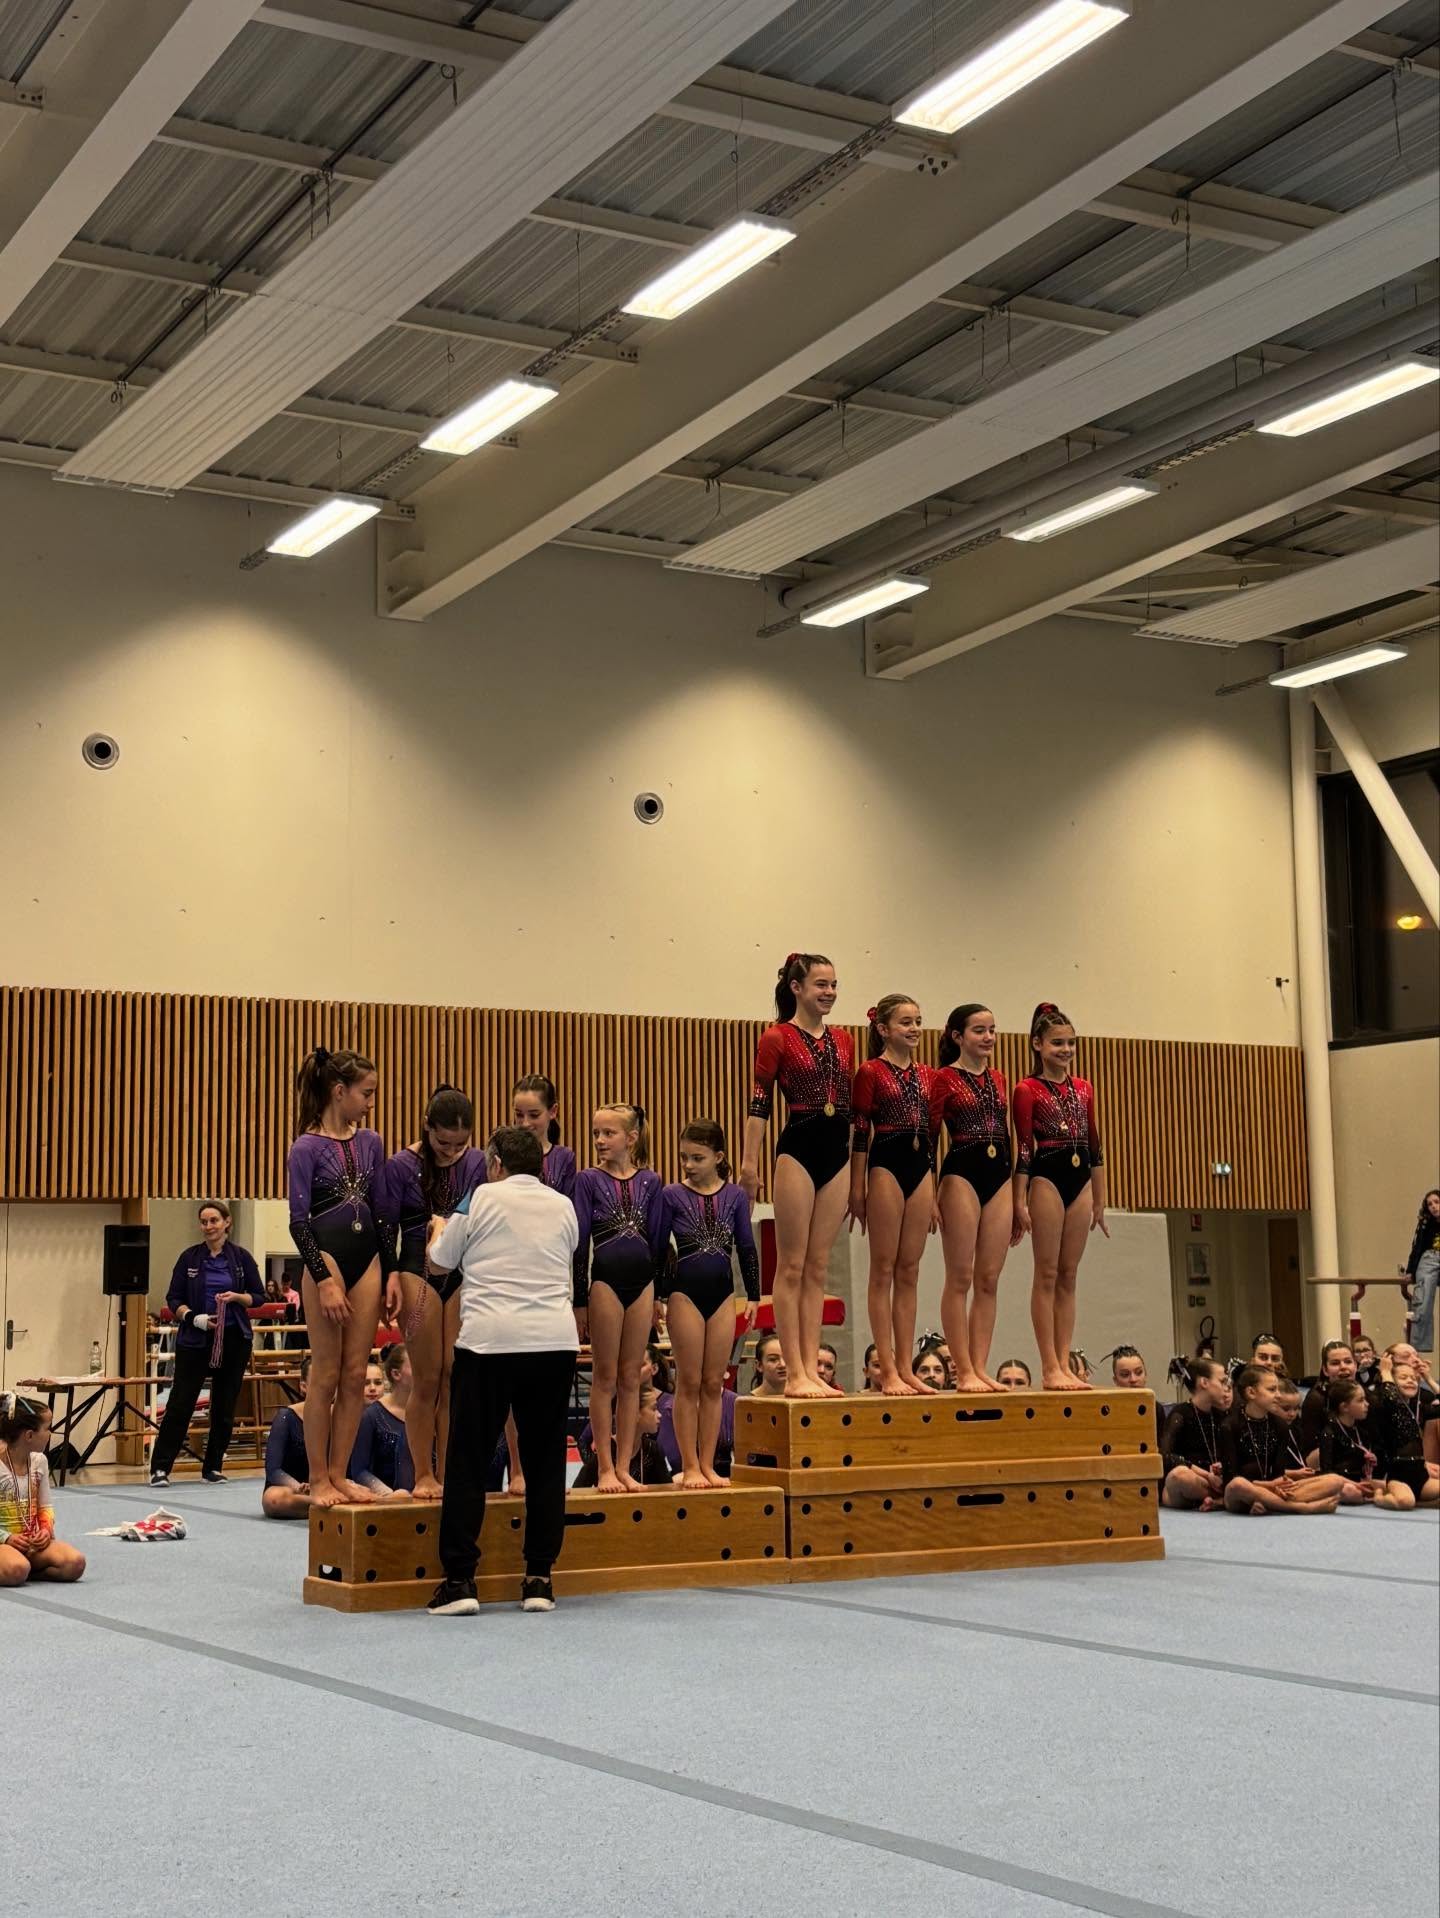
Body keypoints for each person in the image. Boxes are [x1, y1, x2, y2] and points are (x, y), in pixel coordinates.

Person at [425, 1125, 581, 1617]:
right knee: (545, 1462)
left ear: (495, 1164)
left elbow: (439, 1263)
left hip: (490, 1341)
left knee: (468, 1460)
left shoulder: (479, 1197)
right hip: (553, 1342)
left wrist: (438, 1229)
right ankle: (539, 1579)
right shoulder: (564, 1205)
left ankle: (459, 1581)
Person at [741, 953, 855, 1400]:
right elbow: (759, 1104)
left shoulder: (843, 1040)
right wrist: (749, 1166)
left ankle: (811, 1367)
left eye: (833, 985)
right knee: (791, 1264)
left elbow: (848, 1106)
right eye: (820, 984)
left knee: (818, 1265)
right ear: (796, 988)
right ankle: (794, 1371)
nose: (829, 992)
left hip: (836, 1154)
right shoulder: (777, 1037)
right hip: (798, 1151)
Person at [287, 1045, 385, 1509]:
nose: (371, 1103)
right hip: (325, 1258)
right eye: (366, 1093)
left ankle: (341, 1473)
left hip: (368, 1261)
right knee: (326, 1373)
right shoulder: (305, 1148)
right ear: (339, 1091)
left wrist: (389, 1274)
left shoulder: (372, 1143)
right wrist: (323, 1278)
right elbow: (298, 1222)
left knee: (354, 1373)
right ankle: (318, 1477)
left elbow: (382, 1212)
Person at [378, 1086, 487, 1499]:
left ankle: (450, 1472)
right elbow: (386, 1226)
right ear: (427, 1127)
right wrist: (390, 1274)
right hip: (416, 1270)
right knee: (426, 1377)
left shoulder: (478, 1163)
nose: (452, 1152)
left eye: (461, 1144)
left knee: (453, 1376)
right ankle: (423, 1473)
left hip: (461, 1271)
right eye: (444, 1143)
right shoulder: (401, 1165)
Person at [654, 1119, 759, 1490]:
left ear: (718, 1157)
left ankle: (709, 1464)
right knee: (690, 1380)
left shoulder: (735, 1196)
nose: (688, 1165)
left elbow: (746, 1247)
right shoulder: (671, 1195)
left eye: (697, 1158)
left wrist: (754, 1295)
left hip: (723, 1295)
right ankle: (689, 1465)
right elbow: (658, 1248)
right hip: (684, 1294)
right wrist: (657, 1296)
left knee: (715, 1382)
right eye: (684, 1157)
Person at [850, 995, 944, 1396]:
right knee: (883, 1269)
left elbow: (934, 1136)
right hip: (885, 1165)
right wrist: (857, 1187)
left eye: (918, 1021)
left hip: (920, 1169)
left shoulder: (929, 1076)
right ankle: (886, 1369)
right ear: (884, 1029)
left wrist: (934, 1191)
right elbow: (859, 1133)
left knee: (910, 1271)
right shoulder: (870, 1071)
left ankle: (906, 1367)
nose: (915, 1028)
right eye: (906, 1022)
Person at [1013, 1003, 1107, 1391]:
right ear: (1037, 1044)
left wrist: (1100, 1198)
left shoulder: (1084, 1088)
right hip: (1046, 1177)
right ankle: (1049, 1365)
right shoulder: (1026, 1089)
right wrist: (1019, 1201)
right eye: (1057, 1043)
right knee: (1047, 1273)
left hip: (1081, 1180)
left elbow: (1095, 1144)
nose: (1066, 1050)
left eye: (1070, 1043)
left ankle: (1065, 1361)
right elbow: (1023, 1148)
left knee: (1069, 1274)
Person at [572, 1102, 664, 1495]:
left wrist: (659, 1293)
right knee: (605, 1377)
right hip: (605, 1283)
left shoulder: (651, 1181)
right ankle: (605, 1467)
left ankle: (625, 1466)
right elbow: (580, 1245)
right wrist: (579, 1299)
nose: (599, 1140)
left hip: (643, 1285)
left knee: (631, 1377)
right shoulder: (588, 1180)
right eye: (596, 1133)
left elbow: (657, 1242)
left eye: (608, 1133)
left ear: (631, 1137)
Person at [149, 1200, 264, 1487]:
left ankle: (213, 1467)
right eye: (204, 1221)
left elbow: (259, 1297)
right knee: (181, 1403)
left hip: (233, 1338)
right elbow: (173, 1298)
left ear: (227, 1222)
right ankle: (160, 1468)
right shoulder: (189, 1258)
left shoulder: (241, 1258)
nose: (209, 1226)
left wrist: (237, 1298)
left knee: (224, 1406)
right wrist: (192, 1317)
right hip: (195, 1339)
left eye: (214, 1220)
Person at [936, 1003, 1014, 1391]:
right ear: (958, 1036)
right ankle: (963, 1369)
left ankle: (980, 1367)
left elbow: (1008, 1134)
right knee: (961, 1276)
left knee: (989, 1279)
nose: (988, 1038)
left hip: (999, 1177)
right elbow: (928, 1137)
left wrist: (1018, 1197)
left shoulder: (999, 1079)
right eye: (979, 1031)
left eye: (992, 1030)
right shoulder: (943, 1078)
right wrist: (929, 1193)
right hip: (961, 1174)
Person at [1220, 1367, 1338, 1515]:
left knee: (1334, 1480)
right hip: (1242, 1491)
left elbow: (1278, 1473)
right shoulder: (1230, 1426)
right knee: (1237, 1485)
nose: (1278, 1395)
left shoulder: (1280, 1425)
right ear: (1251, 1392)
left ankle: (1269, 1504)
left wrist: (1279, 1485)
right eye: (1272, 1390)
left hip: (1273, 1489)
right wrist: (1268, 1485)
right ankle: (1300, 1507)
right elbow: (1230, 1478)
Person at [0, 1394, 85, 1586]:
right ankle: (19, 1568)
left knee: (75, 1563)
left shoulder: (40, 1462)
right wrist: (7, 1537)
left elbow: (45, 1506)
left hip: (30, 1543)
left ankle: (27, 1571)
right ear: (29, 1435)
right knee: (16, 1569)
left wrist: (45, 1530)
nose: (50, 1433)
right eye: (48, 1428)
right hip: (3, 1543)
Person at [1318, 1382, 1413, 1508]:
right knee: (1350, 1492)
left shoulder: (1361, 1432)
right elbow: (1327, 1473)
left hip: (1361, 1482)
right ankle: (1377, 1497)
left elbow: (1367, 1467)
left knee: (1399, 1485)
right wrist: (1355, 1484)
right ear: (1344, 1407)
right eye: (1361, 1400)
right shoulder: (1329, 1432)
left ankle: (1376, 1496)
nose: (1367, 1404)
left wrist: (1371, 1461)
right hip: (1343, 1484)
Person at [1159, 1358, 1230, 1509]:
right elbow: (1165, 1456)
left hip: (1215, 1483)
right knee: (1179, 1476)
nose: (1226, 1388)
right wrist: (1206, 1475)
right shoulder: (1180, 1414)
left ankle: (1216, 1500)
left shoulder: (1222, 1416)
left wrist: (1221, 1470)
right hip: (1192, 1480)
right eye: (1222, 1382)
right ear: (1204, 1382)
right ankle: (1220, 1500)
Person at [1273, 1378, 1357, 1504]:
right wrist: (1294, 1473)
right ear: (1272, 1405)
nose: (1292, 1414)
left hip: (1297, 1480)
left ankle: (1360, 1487)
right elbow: (1267, 1471)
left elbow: (1301, 1461)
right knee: (1343, 1487)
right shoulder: (1270, 1431)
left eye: (1296, 1409)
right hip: (1281, 1482)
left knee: (1342, 1484)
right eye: (1286, 1409)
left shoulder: (1295, 1429)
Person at [348, 1343, 415, 1498]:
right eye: (416, 1365)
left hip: (425, 1495)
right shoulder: (371, 1416)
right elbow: (359, 1470)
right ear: (396, 1374)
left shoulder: (431, 1413)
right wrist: (389, 1495)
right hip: (388, 1498)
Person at [575, 1386, 673, 1488]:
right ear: (635, 1413)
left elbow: (668, 1490)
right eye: (654, 1409)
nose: (660, 1415)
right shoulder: (605, 1452)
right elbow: (577, 1491)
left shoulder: (652, 1449)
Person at [1367, 1367, 1439, 1505]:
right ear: (1391, 1383)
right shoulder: (1386, 1408)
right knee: (1406, 1502)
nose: (1410, 1381)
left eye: (1414, 1378)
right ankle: (1379, 1495)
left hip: (1422, 1478)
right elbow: (1391, 1398)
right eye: (1403, 1377)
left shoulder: (1418, 1410)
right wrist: (1386, 1372)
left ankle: (1419, 1499)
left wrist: (1428, 1379)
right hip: (1398, 1477)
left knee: (1412, 1499)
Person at [262, 1357, 313, 1519]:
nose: (325, 1387)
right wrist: (298, 1487)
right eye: (317, 1382)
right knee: (273, 1499)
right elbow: (273, 1470)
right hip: (293, 1489)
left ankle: (322, 1503)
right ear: (304, 1386)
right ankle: (320, 1503)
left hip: (328, 1486)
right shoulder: (286, 1417)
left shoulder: (341, 1417)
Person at [513, 1073, 577, 1197]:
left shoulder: (564, 1157)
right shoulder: (503, 1156)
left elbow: (569, 1205)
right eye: (519, 1115)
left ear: (553, 1111)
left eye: (534, 1115)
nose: (525, 1123)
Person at [1299, 1341, 1357, 1462]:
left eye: (1348, 1361)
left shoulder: (1363, 1395)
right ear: (1325, 1370)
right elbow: (1309, 1459)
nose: (1343, 1367)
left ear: (1355, 1366)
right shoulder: (1316, 1400)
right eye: (1335, 1363)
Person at [1404, 1188, 1440, 1354]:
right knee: (1422, 1302)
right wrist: (1411, 1270)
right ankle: (1420, 1347)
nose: (1433, 1206)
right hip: (1430, 1258)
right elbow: (1417, 1246)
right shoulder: (1425, 1223)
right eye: (1430, 1204)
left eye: (1437, 1202)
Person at [748, 1331, 787, 1396]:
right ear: (759, 1365)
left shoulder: (802, 1398)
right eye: (773, 1359)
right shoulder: (746, 1401)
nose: (783, 1365)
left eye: (787, 1358)